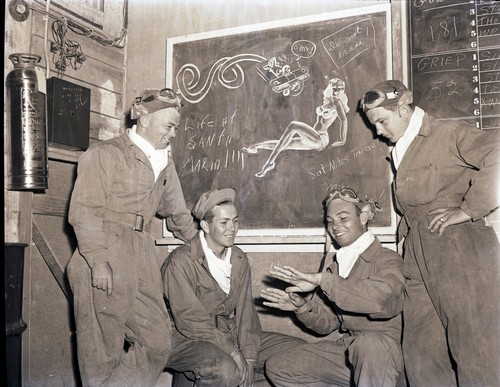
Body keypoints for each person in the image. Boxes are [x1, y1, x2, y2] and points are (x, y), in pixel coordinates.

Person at [361, 80, 500, 386]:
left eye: (382, 122)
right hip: (418, 252)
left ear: (402, 108)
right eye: (375, 125)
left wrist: (467, 209)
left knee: (475, 348)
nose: (378, 132)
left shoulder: (446, 133)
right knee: (422, 353)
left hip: (458, 246)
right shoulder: (401, 150)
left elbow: (498, 154)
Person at [66, 88, 198, 386]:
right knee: (101, 352)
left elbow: (177, 212)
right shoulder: (105, 153)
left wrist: (198, 246)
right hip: (103, 250)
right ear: (145, 119)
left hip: (142, 251)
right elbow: (85, 211)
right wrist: (98, 261)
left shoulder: (164, 162)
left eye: (176, 127)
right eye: (169, 126)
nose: (173, 133)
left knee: (158, 342)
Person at [261, 187, 406, 386]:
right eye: (330, 221)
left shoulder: (388, 259)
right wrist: (301, 306)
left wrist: (324, 280)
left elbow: (379, 300)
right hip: (350, 347)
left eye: (343, 218)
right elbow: (327, 324)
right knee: (279, 366)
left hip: (385, 352)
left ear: (363, 216)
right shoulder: (337, 264)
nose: (335, 226)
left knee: (369, 344)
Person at [162, 188, 305, 386]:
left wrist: (249, 357)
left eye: (235, 220)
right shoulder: (180, 261)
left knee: (300, 352)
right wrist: (235, 353)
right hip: (186, 337)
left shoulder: (239, 259)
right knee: (225, 369)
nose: (233, 228)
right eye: (224, 222)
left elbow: (247, 314)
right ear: (205, 225)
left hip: (228, 334)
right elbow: (191, 322)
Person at [243, 77, 349, 177]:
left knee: (293, 126)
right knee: (284, 143)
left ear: (343, 90)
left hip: (320, 138)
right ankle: (255, 147)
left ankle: (270, 162)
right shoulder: (329, 100)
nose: (336, 92)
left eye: (340, 89)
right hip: (313, 137)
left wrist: (343, 141)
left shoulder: (337, 102)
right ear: (330, 88)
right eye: (334, 89)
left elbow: (344, 120)